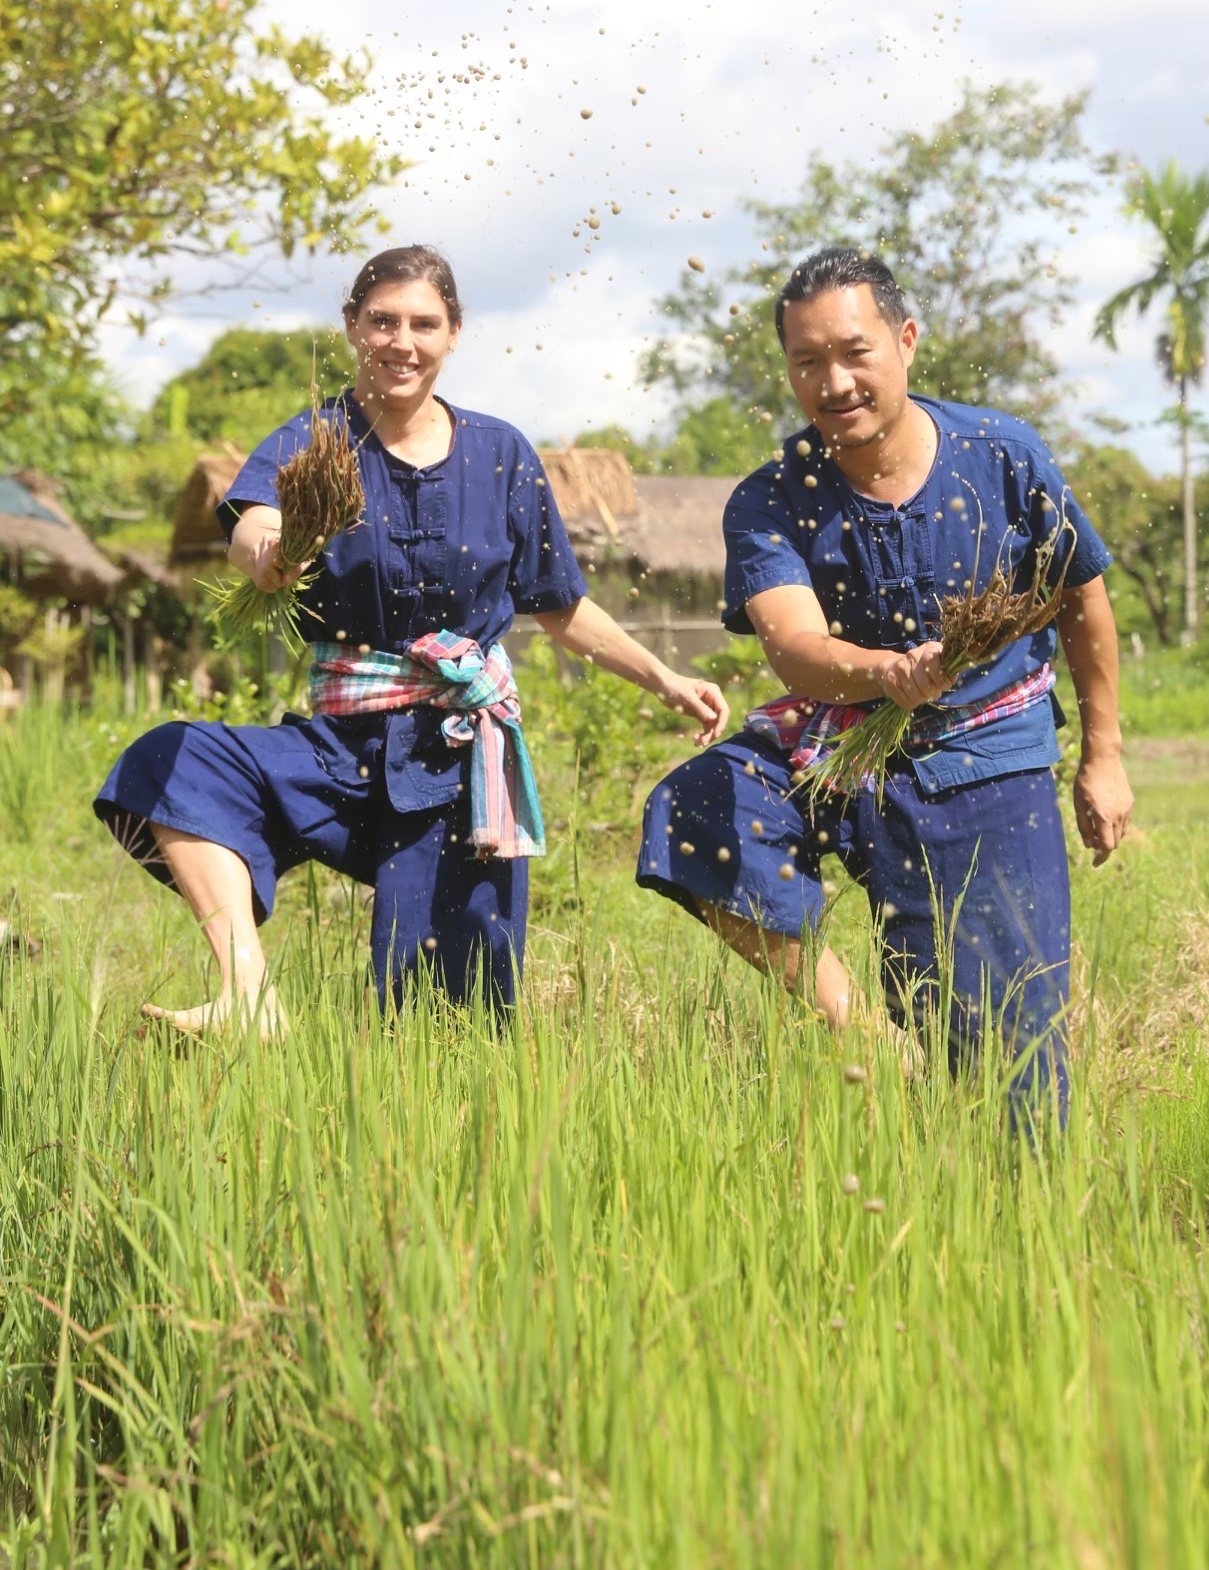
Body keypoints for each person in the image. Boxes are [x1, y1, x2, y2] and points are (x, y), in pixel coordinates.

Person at [97, 244, 727, 1036]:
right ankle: (246, 993)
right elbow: (254, 529)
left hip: (458, 762)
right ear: (352, 326)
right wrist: (274, 553)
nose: (402, 340)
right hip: (340, 752)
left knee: (444, 1018)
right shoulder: (315, 440)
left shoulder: (502, 456)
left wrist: (666, 680)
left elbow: (562, 607)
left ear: (455, 333)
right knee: (173, 762)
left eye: (423, 323)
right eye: (383, 320)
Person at [636, 246, 1132, 1121]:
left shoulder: (1002, 458)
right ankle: (872, 1042)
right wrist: (883, 673)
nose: (834, 381)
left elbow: (1080, 597)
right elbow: (792, 646)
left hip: (986, 759)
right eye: (807, 361)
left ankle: (1026, 1219)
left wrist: (1105, 756)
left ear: (905, 340)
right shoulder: (772, 496)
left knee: (1006, 1056)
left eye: (854, 351)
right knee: (699, 811)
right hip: (843, 745)